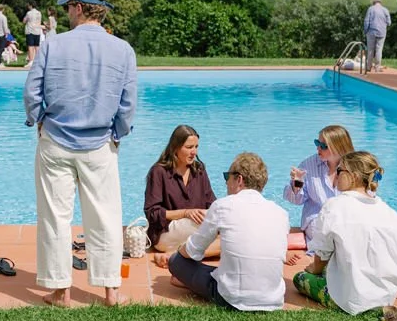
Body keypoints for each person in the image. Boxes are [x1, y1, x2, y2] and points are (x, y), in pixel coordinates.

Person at [24, 0, 137, 307]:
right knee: (104, 217)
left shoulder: (53, 45)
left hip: (56, 141)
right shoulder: (123, 49)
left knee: (55, 217)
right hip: (100, 143)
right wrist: (117, 133)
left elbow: (33, 91)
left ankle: (61, 291)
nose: (66, 13)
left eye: (67, 7)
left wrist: (39, 120)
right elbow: (127, 105)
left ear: (77, 8)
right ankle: (111, 291)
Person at [292, 151, 397, 314]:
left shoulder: (334, 207)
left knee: (300, 278)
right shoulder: (395, 218)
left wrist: (313, 269)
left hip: (350, 299)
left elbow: (322, 255)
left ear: (354, 176)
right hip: (386, 295)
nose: (335, 175)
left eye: (340, 171)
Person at [166, 152, 288, 311]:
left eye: (227, 177)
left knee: (176, 261)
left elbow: (192, 250)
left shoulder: (223, 206)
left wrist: (176, 253)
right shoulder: (281, 213)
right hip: (273, 298)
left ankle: (187, 280)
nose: (226, 183)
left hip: (232, 298)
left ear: (239, 179)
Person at [143, 125, 217, 254]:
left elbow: (211, 203)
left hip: (195, 227)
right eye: (189, 147)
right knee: (214, 226)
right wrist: (185, 213)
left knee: (223, 218)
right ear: (175, 148)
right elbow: (152, 213)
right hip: (165, 232)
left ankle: (184, 252)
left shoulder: (199, 170)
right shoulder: (158, 172)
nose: (194, 152)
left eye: (196, 147)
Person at [282, 125, 354, 248]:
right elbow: (296, 200)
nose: (318, 147)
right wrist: (297, 182)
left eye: (323, 145)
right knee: (330, 238)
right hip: (317, 220)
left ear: (339, 147)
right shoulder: (308, 165)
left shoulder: (355, 167)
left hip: (347, 220)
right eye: (317, 143)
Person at [362, 0, 392, 72]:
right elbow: (389, 23)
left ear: (373, 2)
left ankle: (368, 67)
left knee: (370, 50)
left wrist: (365, 31)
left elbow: (366, 21)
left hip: (371, 31)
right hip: (382, 32)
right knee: (379, 50)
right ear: (380, 2)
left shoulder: (370, 9)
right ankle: (377, 67)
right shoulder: (385, 10)